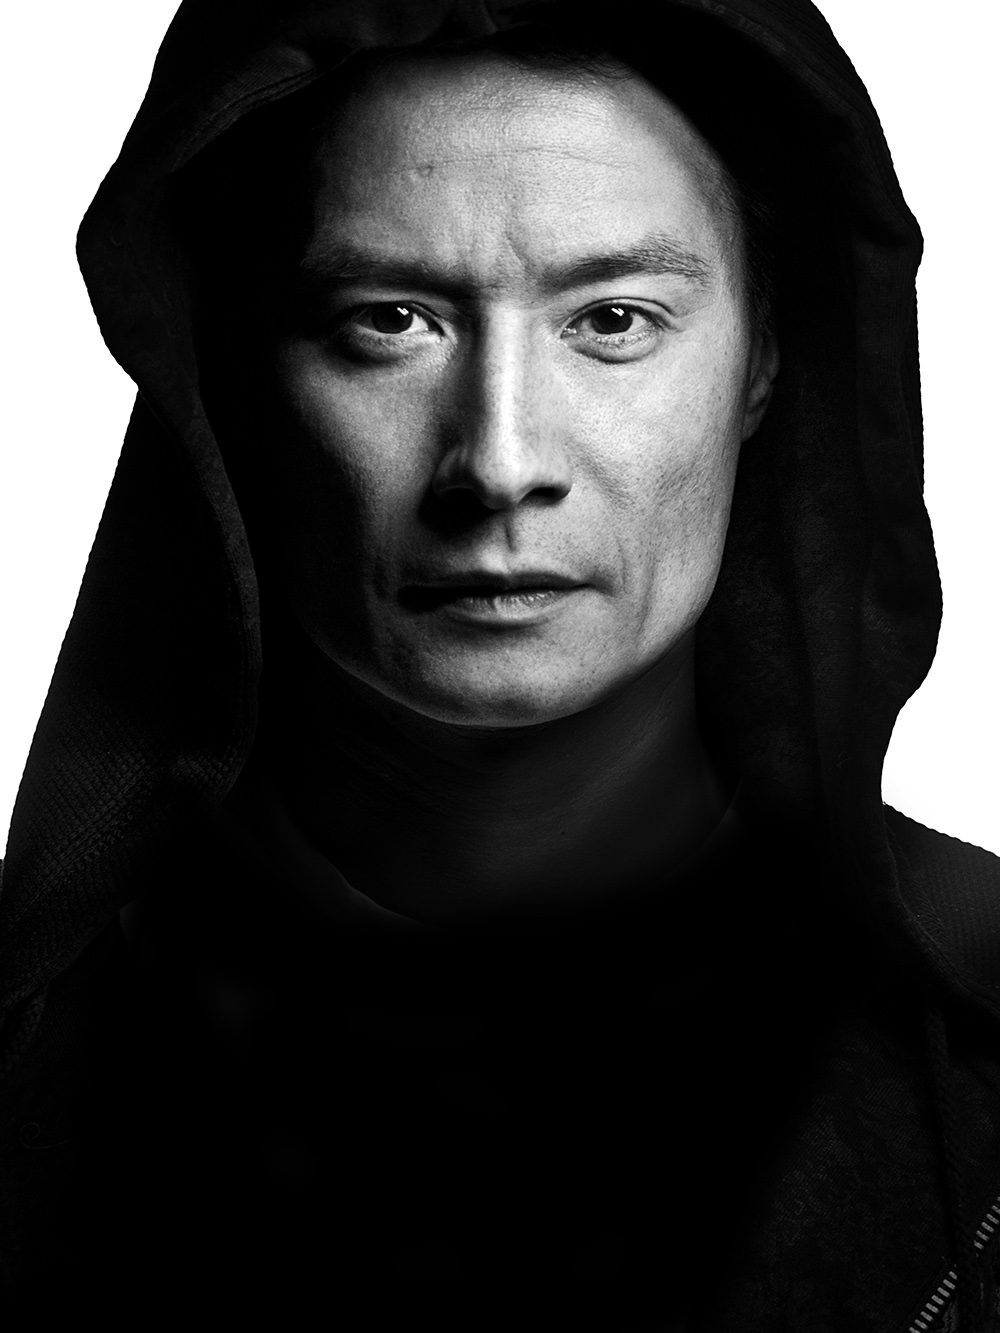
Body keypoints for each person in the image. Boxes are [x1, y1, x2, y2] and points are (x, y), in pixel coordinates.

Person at [1, 1, 998, 1328]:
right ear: (233, 376)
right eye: (391, 320)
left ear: (761, 360)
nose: (501, 461)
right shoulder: (33, 1068)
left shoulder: (980, 1049)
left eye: (615, 320)